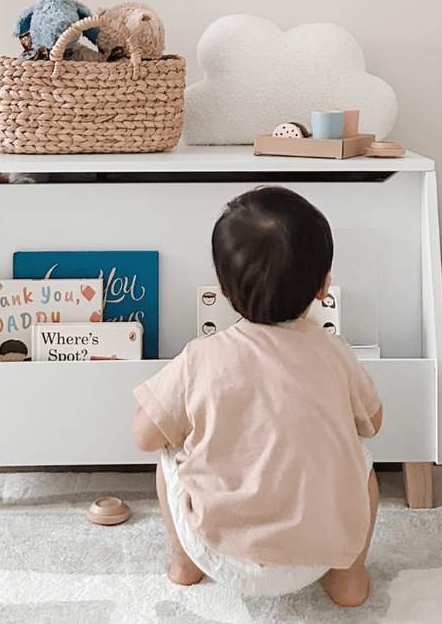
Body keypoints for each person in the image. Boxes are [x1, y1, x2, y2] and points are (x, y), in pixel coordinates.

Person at [131, 185, 382, 607]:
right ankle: (348, 577)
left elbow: (142, 436)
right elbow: (373, 424)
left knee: (168, 452)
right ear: (324, 287)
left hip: (216, 551)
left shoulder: (199, 358)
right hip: (316, 554)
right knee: (361, 457)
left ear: (222, 288)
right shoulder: (335, 352)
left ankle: (183, 562)